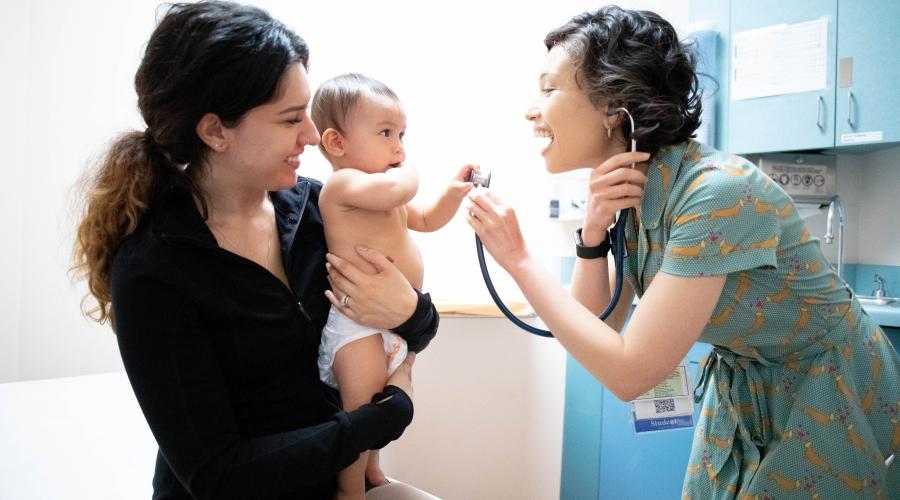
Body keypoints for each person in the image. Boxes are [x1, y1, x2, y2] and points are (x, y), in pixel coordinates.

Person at [466, 5, 900, 498]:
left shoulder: (716, 193)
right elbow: (597, 328)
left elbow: (631, 372)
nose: (531, 108)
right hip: (744, 382)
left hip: (827, 382)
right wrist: (592, 233)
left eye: (549, 88)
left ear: (613, 104)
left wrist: (519, 259)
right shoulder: (636, 193)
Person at [71, 2, 440, 499]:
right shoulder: (154, 270)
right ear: (215, 131)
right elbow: (216, 475)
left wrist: (413, 313)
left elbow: (410, 322)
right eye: (291, 119)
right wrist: (383, 416)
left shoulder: (315, 209)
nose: (312, 137)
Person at [310, 73, 475, 498]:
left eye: (401, 134)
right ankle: (348, 488)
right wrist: (412, 174)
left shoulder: (386, 193)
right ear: (336, 142)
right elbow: (400, 188)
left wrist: (453, 196)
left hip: (391, 321)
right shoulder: (342, 186)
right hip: (356, 325)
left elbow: (425, 219)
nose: (398, 147)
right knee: (361, 410)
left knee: (382, 401)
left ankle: (372, 469)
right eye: (385, 133)